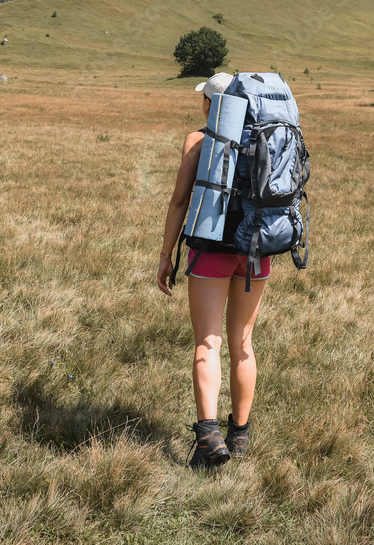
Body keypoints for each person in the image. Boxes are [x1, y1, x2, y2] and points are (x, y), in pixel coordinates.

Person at [157, 72, 270, 469]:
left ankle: (208, 439)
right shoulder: (265, 139)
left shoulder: (199, 140)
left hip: (211, 250)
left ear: (212, 104)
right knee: (243, 344)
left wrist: (166, 254)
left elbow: (178, 202)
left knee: (208, 342)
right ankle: (239, 437)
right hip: (257, 250)